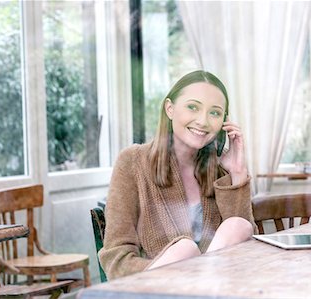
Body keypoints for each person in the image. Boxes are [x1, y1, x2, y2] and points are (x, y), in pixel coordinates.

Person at [99, 70, 257, 279]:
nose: (203, 121)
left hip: (215, 285)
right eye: (193, 107)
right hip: (156, 286)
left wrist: (237, 173)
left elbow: (245, 246)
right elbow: (117, 258)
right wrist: (174, 267)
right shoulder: (132, 161)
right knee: (185, 250)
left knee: (237, 225)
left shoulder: (220, 170)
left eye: (215, 113)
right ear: (170, 109)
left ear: (223, 122)